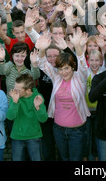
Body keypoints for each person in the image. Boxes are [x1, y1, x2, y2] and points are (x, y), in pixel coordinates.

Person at [36, 28, 91, 161]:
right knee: (64, 158)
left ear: (72, 67)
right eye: (60, 69)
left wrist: (77, 46)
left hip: (77, 131)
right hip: (58, 129)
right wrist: (42, 50)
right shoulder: (56, 77)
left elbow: (82, 64)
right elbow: (43, 64)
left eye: (66, 68)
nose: (63, 72)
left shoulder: (80, 77)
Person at [6, 73, 48, 161]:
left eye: (18, 90)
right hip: (17, 136)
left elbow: (43, 119)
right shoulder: (15, 97)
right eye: (14, 88)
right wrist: (15, 102)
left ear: (28, 91)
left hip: (34, 136)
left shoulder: (38, 98)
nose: (14, 91)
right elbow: (10, 117)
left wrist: (37, 108)